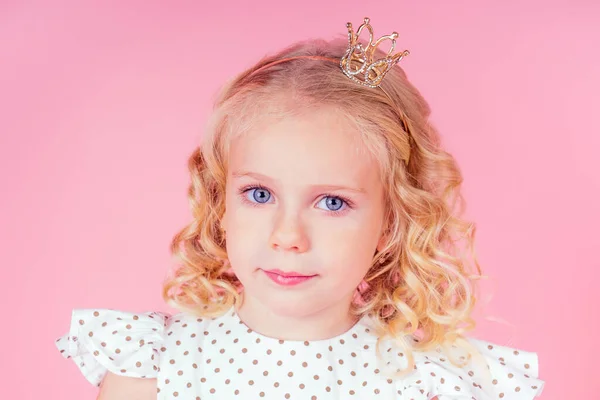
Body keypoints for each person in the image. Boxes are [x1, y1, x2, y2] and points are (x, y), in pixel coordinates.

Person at [55, 17, 545, 399]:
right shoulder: (152, 368)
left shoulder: (434, 382)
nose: (287, 236)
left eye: (332, 202)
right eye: (260, 195)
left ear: (392, 221)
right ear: (219, 201)